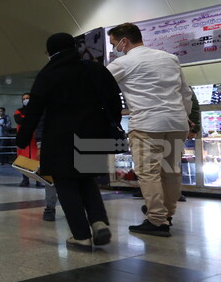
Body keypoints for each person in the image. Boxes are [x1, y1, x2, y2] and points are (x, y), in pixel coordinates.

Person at [18, 33, 123, 249]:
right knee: (87, 180)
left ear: (50, 52)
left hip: (60, 137)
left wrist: (22, 137)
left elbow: (34, 110)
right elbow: (115, 100)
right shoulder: (94, 69)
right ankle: (98, 221)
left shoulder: (48, 74)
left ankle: (81, 235)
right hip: (93, 134)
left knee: (65, 184)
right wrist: (107, 125)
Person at [107, 22, 193, 236]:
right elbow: (185, 93)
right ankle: (167, 214)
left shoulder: (123, 63)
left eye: (114, 44)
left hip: (147, 124)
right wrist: (186, 115)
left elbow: (99, 87)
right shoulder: (170, 58)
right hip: (177, 122)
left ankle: (156, 219)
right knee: (171, 170)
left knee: (149, 172)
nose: (114, 49)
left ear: (124, 41)